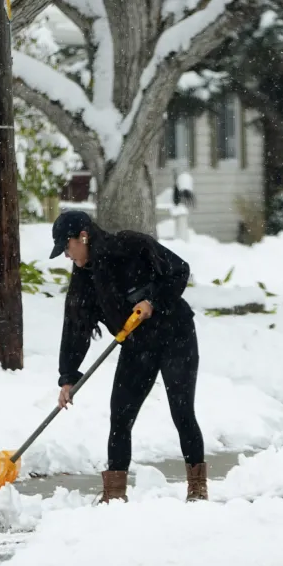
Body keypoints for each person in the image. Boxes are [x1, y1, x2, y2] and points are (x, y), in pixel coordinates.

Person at [48, 209, 208, 504]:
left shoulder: (131, 245)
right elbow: (76, 326)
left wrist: (153, 301)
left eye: (67, 247)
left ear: (83, 236)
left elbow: (179, 270)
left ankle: (197, 489)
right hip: (137, 346)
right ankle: (114, 495)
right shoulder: (85, 277)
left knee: (181, 411)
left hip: (176, 337)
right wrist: (68, 376)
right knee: (120, 416)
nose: (67, 256)